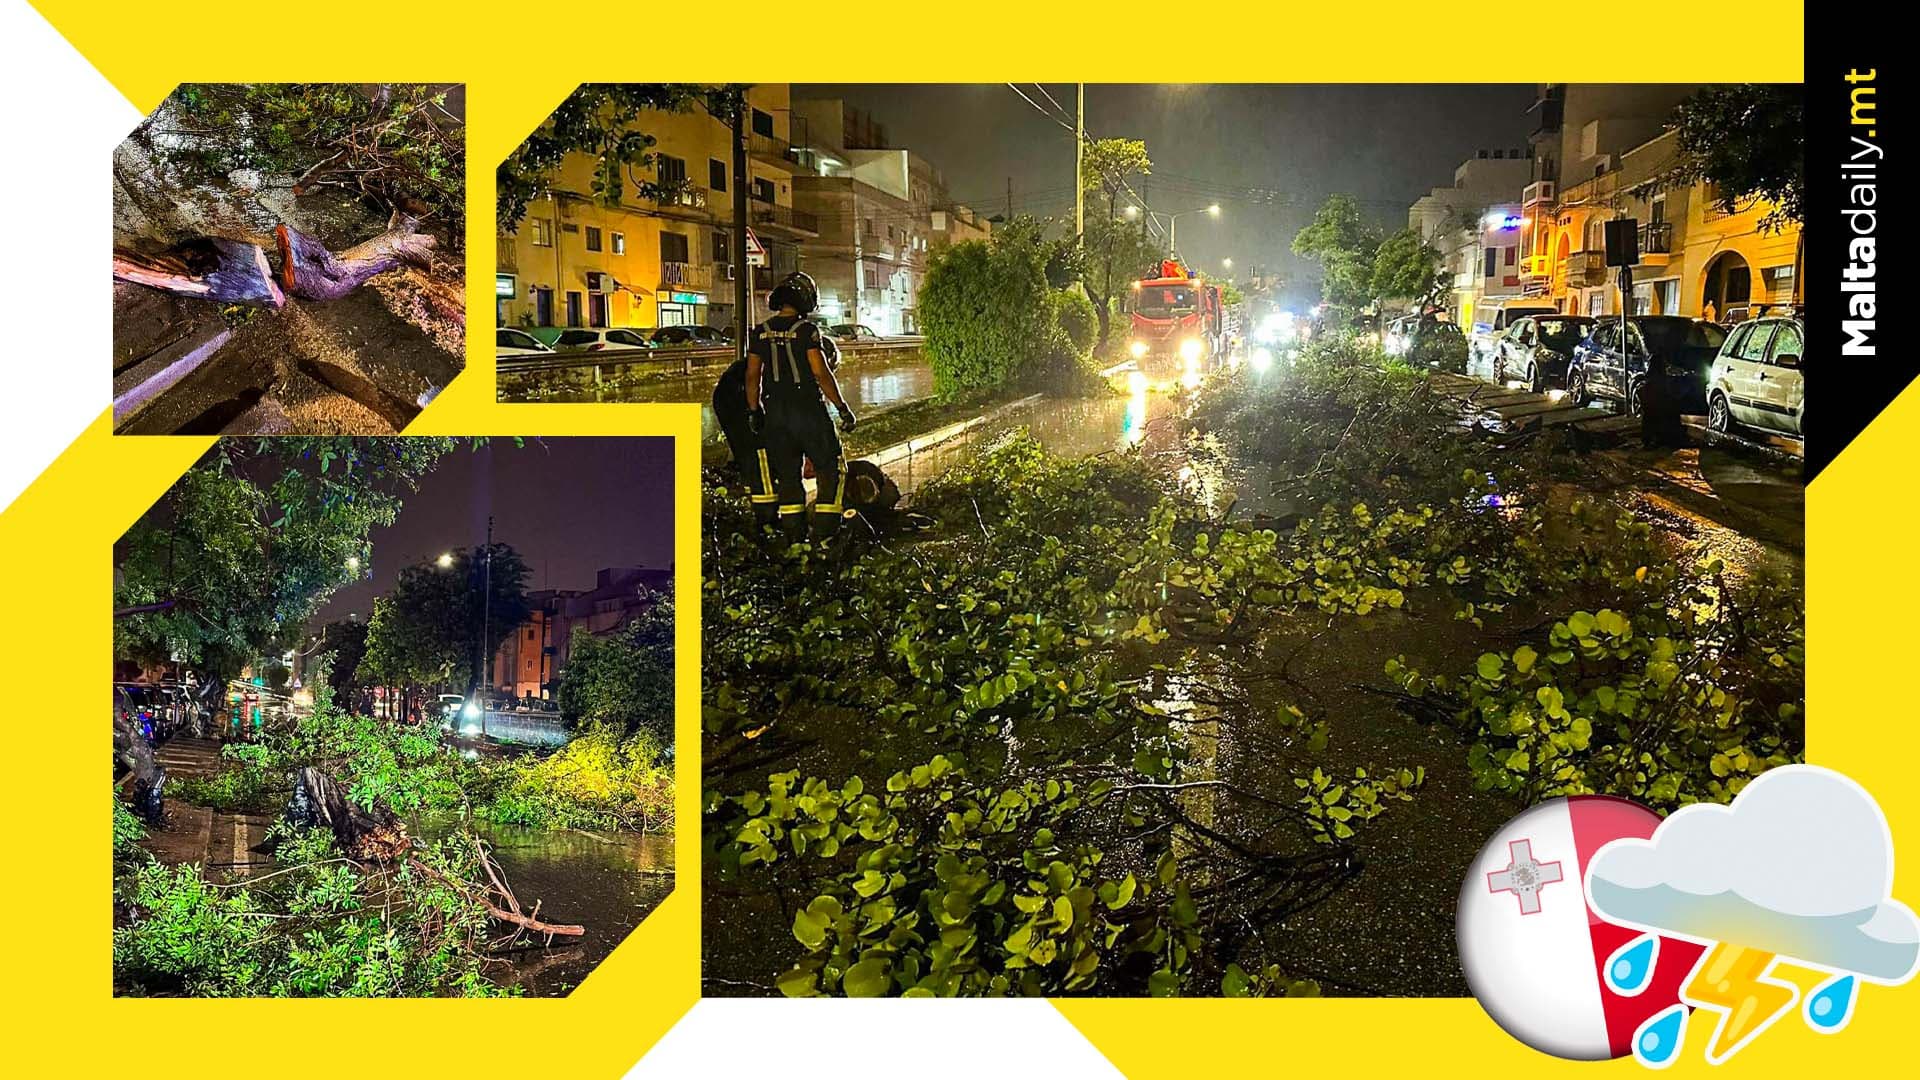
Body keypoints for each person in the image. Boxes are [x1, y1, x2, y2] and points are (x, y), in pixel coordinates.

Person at [746, 272, 857, 540]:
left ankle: (794, 540)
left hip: (775, 415)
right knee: (831, 469)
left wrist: (754, 411)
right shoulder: (807, 331)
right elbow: (821, 373)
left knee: (788, 478)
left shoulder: (760, 332)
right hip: (808, 412)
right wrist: (842, 408)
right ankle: (824, 537)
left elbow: (752, 376)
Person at [711, 336, 780, 525]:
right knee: (760, 454)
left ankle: (754, 504)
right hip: (740, 400)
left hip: (727, 400)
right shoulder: (788, 366)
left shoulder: (773, 359)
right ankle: (767, 519)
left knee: (748, 455)